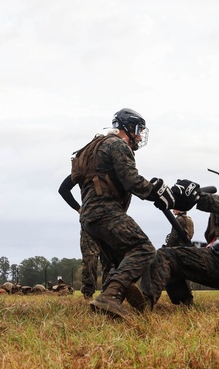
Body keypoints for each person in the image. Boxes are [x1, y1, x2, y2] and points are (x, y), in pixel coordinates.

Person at [71, 108, 175, 319]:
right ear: (129, 127)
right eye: (138, 131)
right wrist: (155, 193)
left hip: (89, 218)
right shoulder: (118, 144)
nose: (139, 136)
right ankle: (109, 296)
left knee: (116, 261)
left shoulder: (94, 147)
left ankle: (117, 304)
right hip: (106, 211)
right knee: (144, 249)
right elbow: (131, 180)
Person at [143, 172, 219, 308]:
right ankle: (184, 305)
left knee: (164, 256)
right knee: (176, 258)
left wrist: (197, 196)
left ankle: (143, 303)